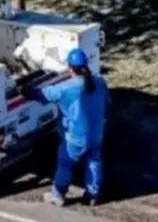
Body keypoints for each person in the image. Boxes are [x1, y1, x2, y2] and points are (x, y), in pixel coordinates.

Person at [24, 48, 109, 207]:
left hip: (76, 136)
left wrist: (25, 90)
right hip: (96, 134)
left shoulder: (67, 89)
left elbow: (43, 95)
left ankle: (58, 194)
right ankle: (92, 195)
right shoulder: (99, 83)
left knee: (65, 163)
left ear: (70, 68)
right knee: (94, 162)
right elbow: (107, 102)